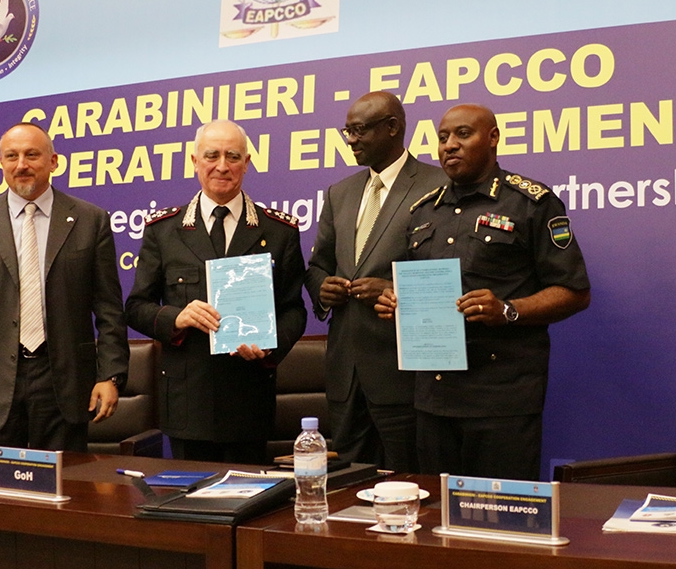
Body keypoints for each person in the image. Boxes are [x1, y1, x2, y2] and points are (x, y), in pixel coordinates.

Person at [376, 104, 590, 480]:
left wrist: (508, 309)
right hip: (434, 399)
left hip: (501, 400)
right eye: (442, 138)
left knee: (499, 522)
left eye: (462, 134)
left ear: (492, 138)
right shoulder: (424, 211)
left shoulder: (530, 203)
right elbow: (415, 285)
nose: (449, 146)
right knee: (439, 522)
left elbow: (574, 291)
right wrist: (397, 300)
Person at [0, 122, 129, 451]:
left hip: (65, 385)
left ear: (53, 161)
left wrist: (109, 376)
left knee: (64, 492)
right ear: (1, 163)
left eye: (31, 155)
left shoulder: (90, 220)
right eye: (11, 156)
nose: (21, 164)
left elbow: (109, 309)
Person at [125, 120, 306, 464]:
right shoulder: (164, 231)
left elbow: (294, 309)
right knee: (189, 507)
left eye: (233, 156)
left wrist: (269, 345)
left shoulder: (279, 231)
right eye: (212, 155)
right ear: (194, 161)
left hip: (249, 401)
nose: (222, 165)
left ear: (247, 163)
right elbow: (136, 307)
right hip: (187, 403)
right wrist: (175, 317)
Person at [305, 92, 444, 471]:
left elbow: (449, 270)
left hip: (404, 373)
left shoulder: (438, 185)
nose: (350, 140)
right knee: (351, 487)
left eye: (359, 130)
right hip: (346, 375)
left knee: (410, 483)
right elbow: (318, 264)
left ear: (393, 127)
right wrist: (323, 288)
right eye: (346, 131)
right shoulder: (340, 192)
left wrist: (394, 290)